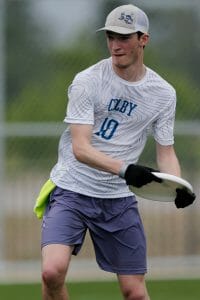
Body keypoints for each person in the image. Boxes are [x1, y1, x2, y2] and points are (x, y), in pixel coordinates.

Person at [37, 4, 196, 300]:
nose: (115, 45)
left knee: (134, 292)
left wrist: (177, 184)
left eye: (124, 37)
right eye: (110, 37)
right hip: (72, 190)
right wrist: (127, 169)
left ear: (143, 39)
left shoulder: (163, 93)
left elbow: (166, 151)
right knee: (52, 272)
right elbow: (81, 149)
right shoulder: (87, 81)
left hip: (117, 200)